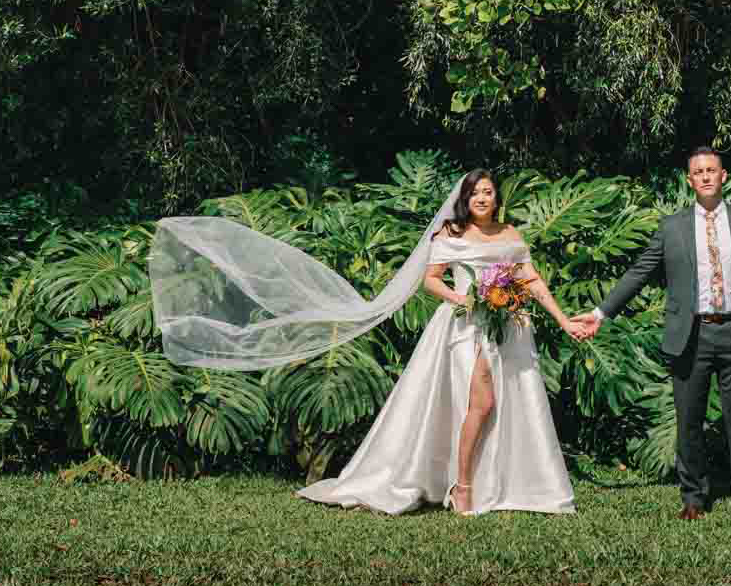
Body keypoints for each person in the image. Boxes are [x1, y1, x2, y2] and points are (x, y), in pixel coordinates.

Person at [151, 169, 585, 516]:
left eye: (489, 192)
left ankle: (498, 482)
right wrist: (465, 298)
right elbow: (431, 282)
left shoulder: (509, 236)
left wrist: (562, 319)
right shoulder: (450, 235)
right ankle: (463, 485)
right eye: (476, 194)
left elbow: (532, 280)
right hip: (466, 328)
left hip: (507, 329)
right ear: (465, 200)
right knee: (481, 405)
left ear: (496, 197)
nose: (483, 199)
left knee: (504, 407)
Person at [568, 146, 731, 521]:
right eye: (699, 172)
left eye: (712, 170)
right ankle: (694, 498)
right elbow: (638, 272)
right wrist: (600, 313)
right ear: (690, 180)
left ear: (723, 176)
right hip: (690, 335)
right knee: (688, 419)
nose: (707, 176)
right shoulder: (672, 227)